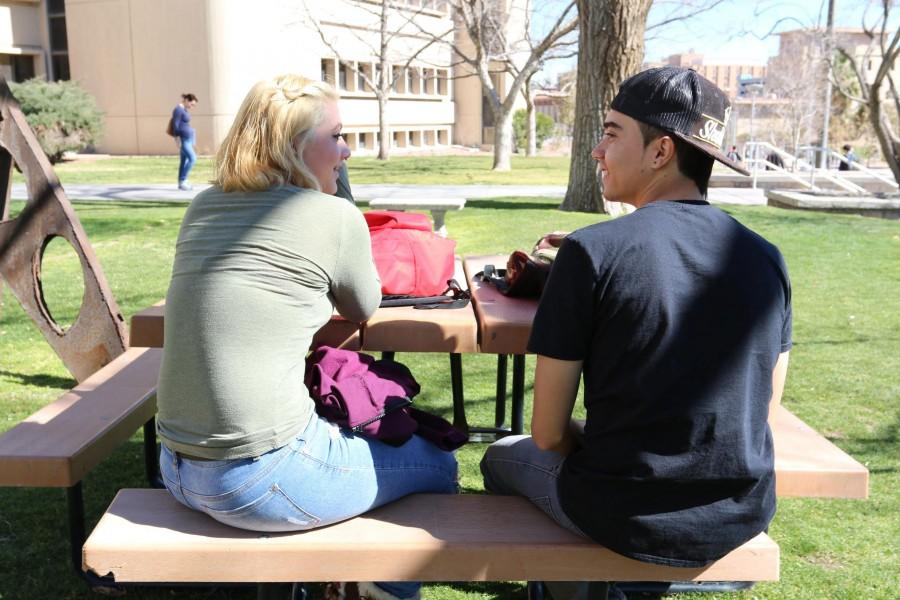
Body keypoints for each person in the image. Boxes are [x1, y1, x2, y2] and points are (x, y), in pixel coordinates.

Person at [480, 67, 792, 598]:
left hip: (623, 510)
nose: (598, 151)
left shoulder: (590, 253)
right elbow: (763, 409)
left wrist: (608, 440)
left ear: (660, 152)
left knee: (498, 457)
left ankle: (575, 587)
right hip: (738, 510)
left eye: (611, 132)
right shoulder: (767, 258)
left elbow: (549, 434)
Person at [156, 74, 457, 600]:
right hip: (255, 479)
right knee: (439, 464)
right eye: (337, 137)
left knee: (340, 427)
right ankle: (381, 587)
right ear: (295, 147)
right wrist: (337, 196)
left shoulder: (202, 206)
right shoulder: (332, 214)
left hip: (175, 468)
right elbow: (363, 305)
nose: (345, 151)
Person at [172, 93, 198, 190]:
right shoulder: (178, 110)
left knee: (183, 161)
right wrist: (177, 139)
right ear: (187, 100)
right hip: (184, 139)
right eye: (192, 104)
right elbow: (175, 125)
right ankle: (183, 180)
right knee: (193, 158)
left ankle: (181, 182)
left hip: (188, 139)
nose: (192, 107)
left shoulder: (183, 110)